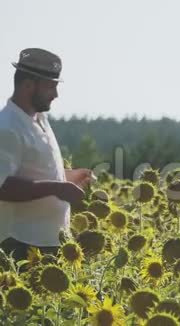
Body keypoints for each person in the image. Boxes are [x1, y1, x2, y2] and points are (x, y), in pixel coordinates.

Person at [0, 48, 91, 262]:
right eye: (50, 86)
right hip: (18, 244)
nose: (56, 94)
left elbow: (32, 172)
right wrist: (57, 188)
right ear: (28, 85)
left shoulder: (38, 119)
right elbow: (3, 186)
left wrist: (68, 177)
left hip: (47, 241)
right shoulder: (7, 127)